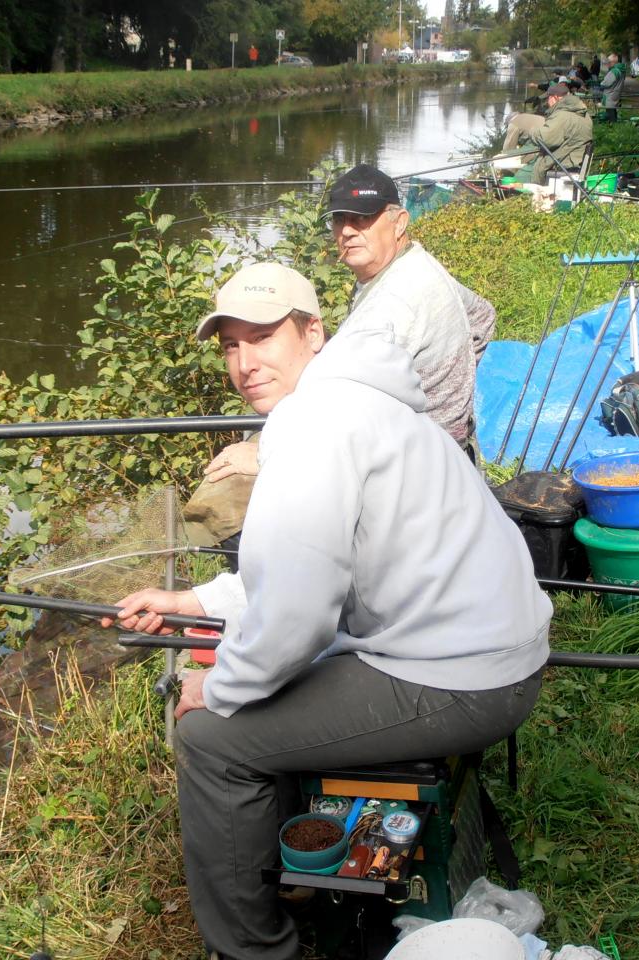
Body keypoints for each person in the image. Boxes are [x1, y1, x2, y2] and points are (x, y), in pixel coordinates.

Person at [105, 261, 552, 960]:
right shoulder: (360, 397)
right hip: (486, 653)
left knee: (212, 739)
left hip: (464, 679)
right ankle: (299, 876)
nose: (245, 362)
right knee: (270, 685)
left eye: (262, 336)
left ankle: (254, 949)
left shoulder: (312, 425)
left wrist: (216, 688)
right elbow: (298, 570)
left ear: (312, 332)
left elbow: (297, 618)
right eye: (230, 345)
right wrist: (190, 602)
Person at [326, 163, 496, 443]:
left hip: (417, 464)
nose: (347, 231)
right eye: (339, 219)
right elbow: (483, 314)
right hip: (450, 451)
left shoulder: (392, 303)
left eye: (362, 218)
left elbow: (341, 415)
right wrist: (452, 385)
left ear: (400, 222)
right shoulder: (417, 261)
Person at [531, 82, 592, 184]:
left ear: (555, 98)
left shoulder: (561, 115)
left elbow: (545, 140)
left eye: (548, 98)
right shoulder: (584, 113)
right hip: (578, 160)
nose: (547, 102)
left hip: (564, 166)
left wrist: (533, 131)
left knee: (527, 171)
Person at [599, 53, 625, 122]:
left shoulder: (614, 71)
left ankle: (613, 127)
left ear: (613, 62)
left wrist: (601, 84)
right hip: (615, 93)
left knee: (610, 112)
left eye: (609, 62)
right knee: (613, 111)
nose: (608, 63)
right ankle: (613, 125)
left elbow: (606, 83)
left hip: (611, 94)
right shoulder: (620, 69)